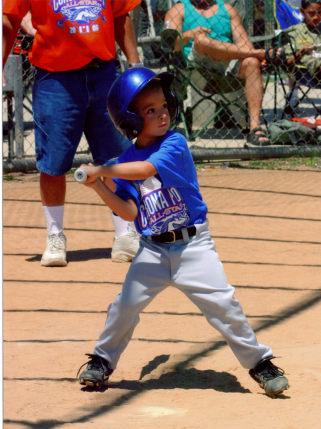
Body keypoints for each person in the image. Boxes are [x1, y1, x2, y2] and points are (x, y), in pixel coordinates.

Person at [76, 67, 289, 398]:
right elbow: (130, 212)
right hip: (152, 250)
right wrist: (98, 187)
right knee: (125, 306)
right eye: (150, 110)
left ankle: (260, 363)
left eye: (163, 105)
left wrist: (101, 168)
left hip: (193, 247)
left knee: (224, 306)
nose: (162, 114)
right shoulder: (125, 160)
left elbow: (146, 170)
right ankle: (102, 360)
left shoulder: (174, 143)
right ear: (130, 119)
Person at [2, 0, 142, 266]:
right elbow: (8, 20)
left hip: (103, 72)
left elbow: (121, 15)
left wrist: (135, 65)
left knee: (114, 157)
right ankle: (55, 236)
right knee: (53, 162)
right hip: (56, 77)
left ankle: (124, 233)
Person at [163, 0, 271, 146]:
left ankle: (255, 128)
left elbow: (243, 44)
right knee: (201, 40)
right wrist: (190, 34)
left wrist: (253, 56)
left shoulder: (228, 10)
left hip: (228, 65)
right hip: (199, 69)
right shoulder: (178, 9)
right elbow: (171, 45)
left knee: (252, 62)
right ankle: (261, 53)